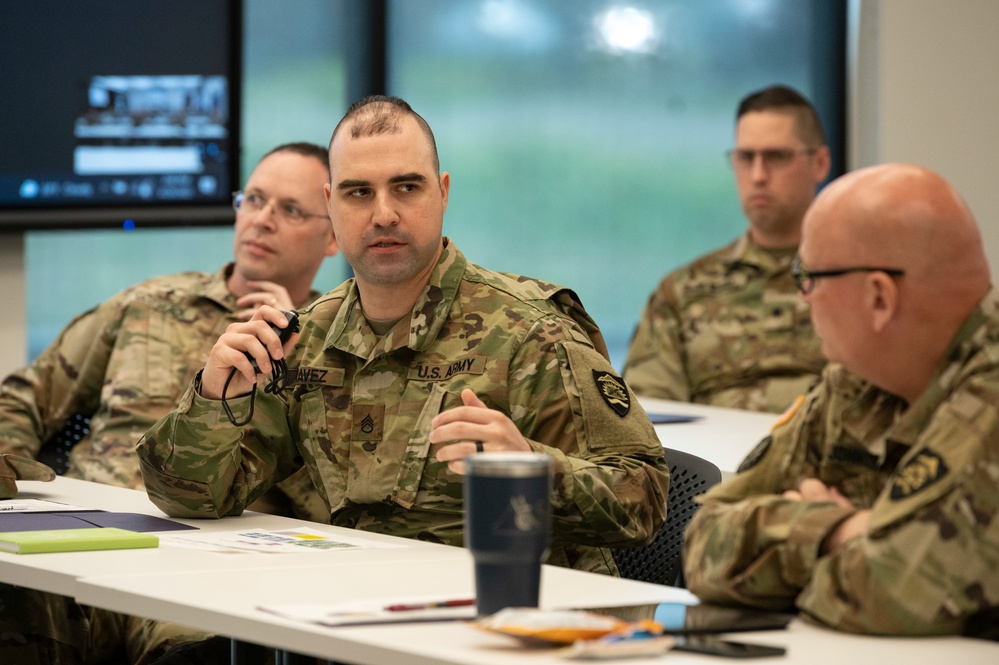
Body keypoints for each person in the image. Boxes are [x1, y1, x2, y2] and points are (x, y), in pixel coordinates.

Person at [136, 95, 671, 579]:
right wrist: (211, 397)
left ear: (441, 194)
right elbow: (192, 499)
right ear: (331, 206)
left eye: (406, 187)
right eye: (358, 193)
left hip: (514, 618)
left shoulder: (533, 332)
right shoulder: (309, 337)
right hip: (357, 610)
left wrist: (528, 468)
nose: (383, 214)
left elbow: (644, 499)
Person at [0, 142, 338, 664]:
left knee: (198, 651)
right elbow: (25, 398)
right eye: (253, 199)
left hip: (207, 563)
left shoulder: (332, 349)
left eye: (290, 210)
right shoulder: (151, 305)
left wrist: (293, 349)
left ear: (334, 234)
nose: (262, 220)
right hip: (81, 535)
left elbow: (335, 499)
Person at [682, 163, 999, 639]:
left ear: (879, 298)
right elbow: (703, 545)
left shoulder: (988, 392)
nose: (803, 299)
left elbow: (889, 594)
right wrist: (837, 530)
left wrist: (794, 535)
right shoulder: (854, 385)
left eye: (808, 277)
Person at [623, 85, 831, 413]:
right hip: (716, 460)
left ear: (819, 163)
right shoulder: (683, 292)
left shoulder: (856, 281)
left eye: (778, 157)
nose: (759, 175)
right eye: (746, 158)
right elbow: (645, 418)